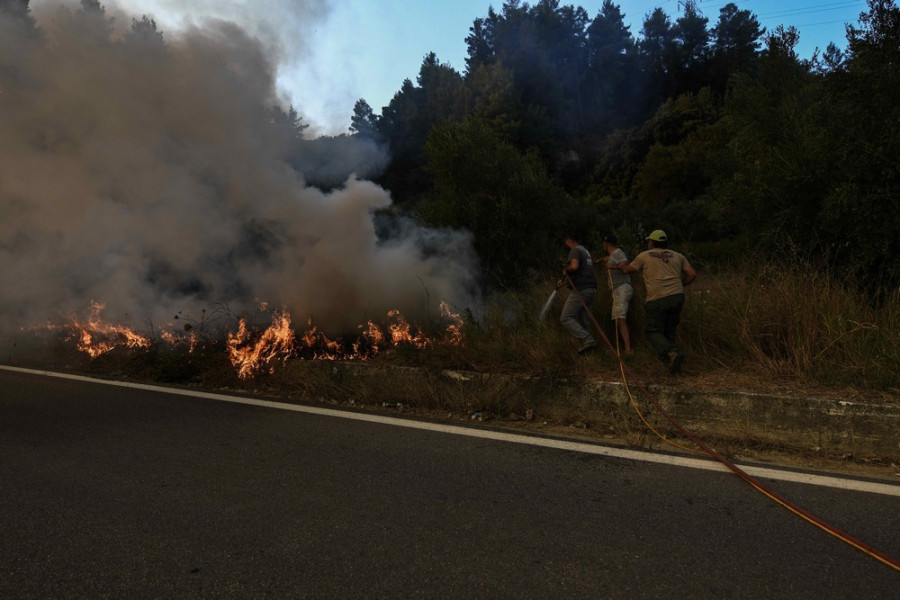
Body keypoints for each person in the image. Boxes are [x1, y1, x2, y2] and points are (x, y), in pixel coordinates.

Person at [608, 229, 696, 373]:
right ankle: (673, 361)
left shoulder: (644, 256)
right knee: (669, 329)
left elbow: (626, 270)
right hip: (677, 296)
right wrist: (681, 284)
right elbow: (692, 274)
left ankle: (671, 353)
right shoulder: (678, 256)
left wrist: (612, 264)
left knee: (652, 329)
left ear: (652, 242)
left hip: (658, 297)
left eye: (649, 241)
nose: (648, 243)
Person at [558, 233, 599, 354]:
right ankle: (590, 354)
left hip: (581, 290)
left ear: (569, 240)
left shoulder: (575, 251)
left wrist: (566, 268)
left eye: (566, 242)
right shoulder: (585, 252)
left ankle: (588, 340)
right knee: (583, 320)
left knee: (565, 317)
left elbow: (574, 267)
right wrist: (563, 281)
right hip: (591, 289)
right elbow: (579, 271)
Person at [595, 234, 633, 354]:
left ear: (606, 244)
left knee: (620, 318)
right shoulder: (613, 255)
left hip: (621, 288)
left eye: (603, 243)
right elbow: (608, 259)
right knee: (617, 318)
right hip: (617, 290)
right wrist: (600, 260)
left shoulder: (618, 253)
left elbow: (625, 265)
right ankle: (619, 348)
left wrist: (612, 266)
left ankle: (628, 350)